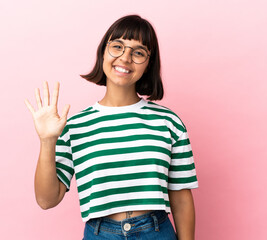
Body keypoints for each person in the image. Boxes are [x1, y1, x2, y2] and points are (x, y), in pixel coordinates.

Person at [25, 14, 198, 240]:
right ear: (103, 52)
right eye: (117, 46)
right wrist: (47, 141)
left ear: (148, 64)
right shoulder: (74, 126)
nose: (125, 57)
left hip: (156, 233)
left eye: (138, 52)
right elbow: (46, 200)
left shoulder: (169, 122)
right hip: (100, 234)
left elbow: (182, 199)